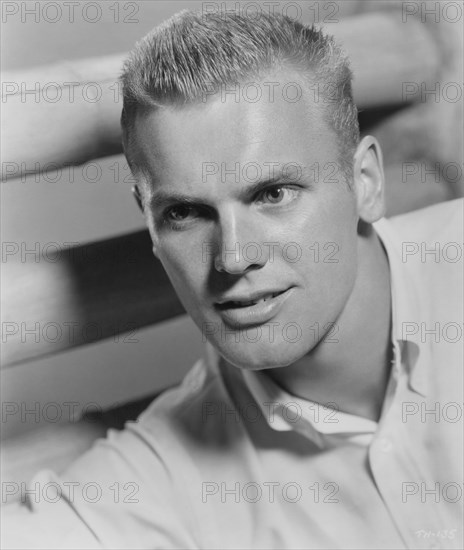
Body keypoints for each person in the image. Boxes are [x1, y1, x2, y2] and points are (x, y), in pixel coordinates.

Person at [2, 9, 462, 549]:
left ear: (365, 182)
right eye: (185, 214)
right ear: (149, 221)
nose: (234, 257)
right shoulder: (160, 474)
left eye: (273, 194)